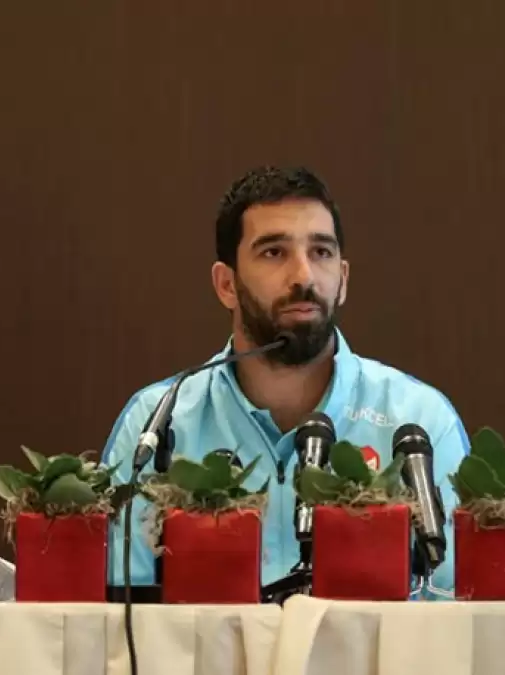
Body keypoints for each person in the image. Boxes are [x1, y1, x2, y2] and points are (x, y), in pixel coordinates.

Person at [102, 165, 469, 599]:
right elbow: (120, 609)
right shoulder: (158, 422)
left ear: (343, 279)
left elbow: (455, 608)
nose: (304, 276)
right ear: (226, 285)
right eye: (274, 252)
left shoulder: (418, 419)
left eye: (321, 252)